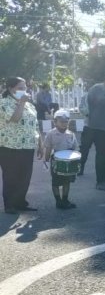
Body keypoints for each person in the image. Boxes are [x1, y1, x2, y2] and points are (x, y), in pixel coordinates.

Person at [0, 77, 43, 214]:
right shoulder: (3, 103)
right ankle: (10, 205)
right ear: (10, 89)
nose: (24, 90)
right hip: (9, 146)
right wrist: (21, 103)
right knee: (11, 176)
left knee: (25, 176)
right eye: (20, 88)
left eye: (25, 88)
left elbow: (35, 126)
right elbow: (15, 119)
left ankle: (20, 202)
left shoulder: (30, 106)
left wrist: (40, 144)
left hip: (28, 146)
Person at [44, 109, 79, 209]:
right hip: (56, 161)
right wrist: (45, 162)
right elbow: (48, 148)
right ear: (55, 122)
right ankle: (58, 201)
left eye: (66, 121)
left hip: (68, 161)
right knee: (55, 182)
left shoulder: (71, 134)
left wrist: (76, 159)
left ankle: (65, 200)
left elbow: (75, 148)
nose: (64, 124)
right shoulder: (51, 134)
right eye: (61, 121)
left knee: (67, 181)